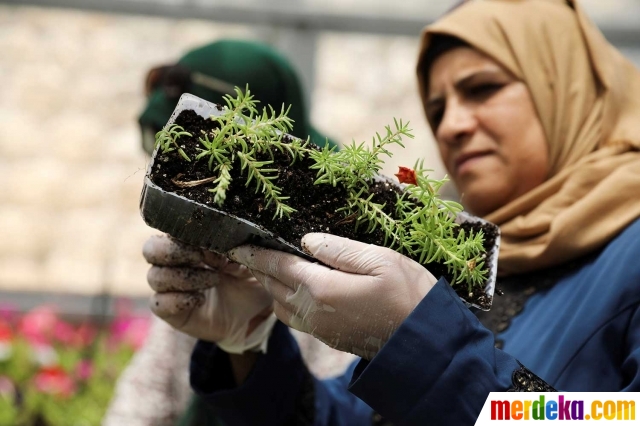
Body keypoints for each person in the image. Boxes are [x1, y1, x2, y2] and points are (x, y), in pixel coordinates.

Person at [145, 1, 640, 425]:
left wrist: (427, 346)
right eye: (437, 108)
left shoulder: (629, 254)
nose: (453, 125)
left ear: (567, 87)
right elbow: (355, 417)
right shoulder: (476, 257)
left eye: (482, 89)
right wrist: (247, 348)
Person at [105, 40, 351, 426]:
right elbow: (144, 398)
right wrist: (239, 339)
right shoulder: (209, 266)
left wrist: (251, 342)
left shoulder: (328, 268)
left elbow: (336, 411)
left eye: (201, 166)